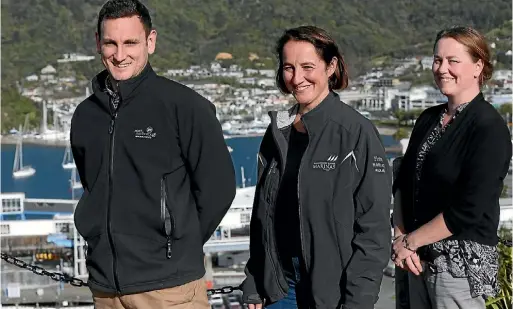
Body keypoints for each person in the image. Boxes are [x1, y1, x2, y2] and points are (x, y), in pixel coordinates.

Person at [70, 0, 236, 308]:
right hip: (106, 290)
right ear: (98, 43)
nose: (120, 55)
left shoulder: (186, 108)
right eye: (111, 43)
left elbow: (219, 190)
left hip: (171, 290)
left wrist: (174, 246)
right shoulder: (84, 116)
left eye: (130, 42)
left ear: (151, 41)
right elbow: (93, 188)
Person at [241, 25, 392, 309]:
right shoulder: (277, 131)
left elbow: (374, 230)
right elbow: (262, 215)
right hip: (278, 286)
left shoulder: (356, 132)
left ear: (331, 66)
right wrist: (254, 280)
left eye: (307, 66)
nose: (297, 78)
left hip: (332, 290)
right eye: (289, 68)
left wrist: (358, 301)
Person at [391, 26, 512, 309]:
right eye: (437, 60)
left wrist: (409, 241)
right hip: (415, 261)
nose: (442, 68)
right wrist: (400, 237)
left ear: (478, 65)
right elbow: (402, 181)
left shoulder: (488, 127)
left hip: (459, 271)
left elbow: (468, 209)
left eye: (452, 60)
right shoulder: (427, 119)